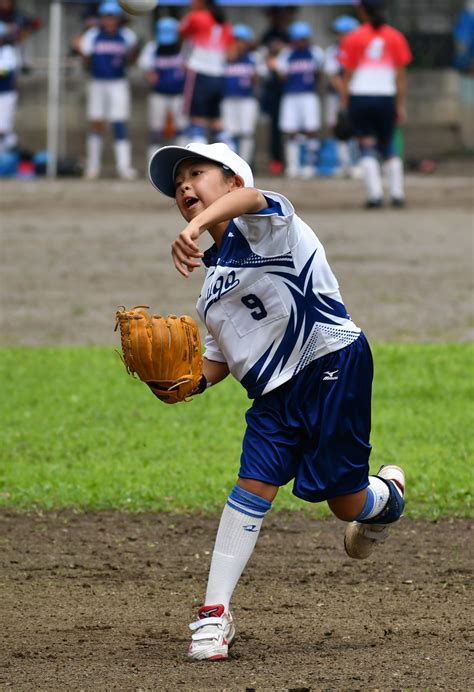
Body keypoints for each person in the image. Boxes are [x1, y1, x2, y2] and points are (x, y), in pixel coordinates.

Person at [148, 140, 406, 661]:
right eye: (178, 184)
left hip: (332, 362)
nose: (184, 186)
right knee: (252, 486)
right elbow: (222, 355)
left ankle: (387, 497)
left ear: (232, 182)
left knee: (344, 502)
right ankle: (214, 614)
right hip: (273, 397)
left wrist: (197, 226)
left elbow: (252, 199)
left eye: (197, 173)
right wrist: (185, 383)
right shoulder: (210, 288)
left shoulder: (272, 224)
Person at [338, 0, 412, 208]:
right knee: (388, 145)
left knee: (366, 145)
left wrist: (344, 105)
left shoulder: (354, 37)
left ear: (362, 10)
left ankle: (375, 195)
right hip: (386, 98)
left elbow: (347, 76)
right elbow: (401, 78)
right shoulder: (395, 36)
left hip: (360, 98)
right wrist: (400, 105)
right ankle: (397, 194)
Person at [74, 0, 138, 180]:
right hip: (97, 82)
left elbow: (131, 59)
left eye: (112, 18)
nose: (109, 21)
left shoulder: (127, 35)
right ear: (101, 19)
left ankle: (124, 167)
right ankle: (93, 167)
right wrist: (79, 50)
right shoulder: (92, 35)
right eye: (106, 18)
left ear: (118, 19)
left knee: (119, 123)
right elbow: (86, 59)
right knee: (96, 122)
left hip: (118, 82)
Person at [179, 0, 234, 145]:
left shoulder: (195, 17)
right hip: (219, 75)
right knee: (216, 118)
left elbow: (181, 33)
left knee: (197, 118)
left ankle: (198, 153)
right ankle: (229, 151)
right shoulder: (225, 22)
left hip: (199, 72)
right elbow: (231, 53)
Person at [275, 21, 325, 179]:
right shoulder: (286, 54)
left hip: (309, 95)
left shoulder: (316, 53)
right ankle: (293, 165)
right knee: (291, 131)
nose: (301, 42)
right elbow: (282, 76)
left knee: (311, 130)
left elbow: (319, 73)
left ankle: (310, 165)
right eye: (298, 39)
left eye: (304, 38)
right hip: (291, 96)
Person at [138, 17, 188, 160]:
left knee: (181, 129)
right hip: (158, 94)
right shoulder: (152, 48)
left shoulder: (184, 48)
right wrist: (150, 75)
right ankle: (152, 162)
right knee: (156, 130)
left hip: (179, 94)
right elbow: (146, 67)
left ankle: (181, 160)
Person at [323, 14, 360, 177]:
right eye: (339, 32)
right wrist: (344, 91)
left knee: (358, 128)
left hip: (357, 94)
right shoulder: (333, 51)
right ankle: (344, 163)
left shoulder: (361, 50)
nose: (341, 36)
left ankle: (357, 163)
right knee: (338, 128)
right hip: (336, 95)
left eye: (344, 32)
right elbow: (333, 76)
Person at [222, 24, 263, 166]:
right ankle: (229, 164)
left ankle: (244, 164)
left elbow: (259, 77)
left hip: (247, 99)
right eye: (235, 40)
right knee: (228, 132)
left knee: (246, 132)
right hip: (227, 99)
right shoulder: (223, 57)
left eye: (242, 40)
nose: (238, 44)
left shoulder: (253, 57)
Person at [258, 7, 293, 175]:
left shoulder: (289, 35)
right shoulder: (267, 34)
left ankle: (291, 162)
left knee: (288, 127)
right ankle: (276, 160)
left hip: (287, 89)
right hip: (271, 89)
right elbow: (264, 54)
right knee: (274, 127)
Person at [0, 20, 19, 154]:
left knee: (2, 128)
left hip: (5, 94)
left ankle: (5, 155)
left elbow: (5, 71)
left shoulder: (8, 51)